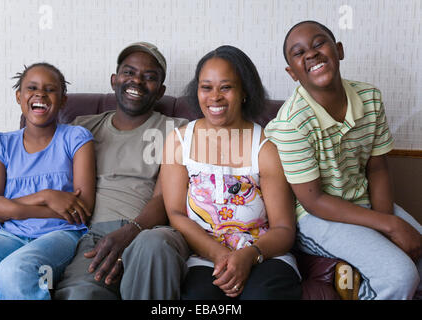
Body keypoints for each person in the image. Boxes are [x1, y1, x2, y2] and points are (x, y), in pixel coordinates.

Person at [265, 20, 422, 300]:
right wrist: (389, 226)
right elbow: (313, 201)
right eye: (299, 53)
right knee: (400, 275)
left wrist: (385, 222)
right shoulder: (292, 123)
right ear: (292, 73)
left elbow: (377, 169)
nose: (311, 54)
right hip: (316, 218)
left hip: (363, 202)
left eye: (318, 43)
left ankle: (360, 284)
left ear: (338, 50)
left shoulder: (370, 97)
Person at [162, 45, 302, 300]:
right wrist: (220, 255)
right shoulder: (178, 142)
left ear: (245, 92)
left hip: (264, 256)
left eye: (226, 87)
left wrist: (248, 256)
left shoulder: (265, 147)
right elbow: (175, 214)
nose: (214, 97)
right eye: (206, 87)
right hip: (204, 258)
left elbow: (283, 228)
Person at [53, 42, 190, 300]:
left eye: (149, 77)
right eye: (129, 72)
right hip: (93, 236)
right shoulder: (82, 127)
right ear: (114, 80)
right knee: (81, 294)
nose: (136, 81)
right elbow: (34, 162)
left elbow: (165, 197)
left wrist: (131, 232)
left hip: (151, 231)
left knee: (153, 246)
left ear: (160, 91)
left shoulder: (176, 130)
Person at [0, 62, 96, 300]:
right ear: (19, 96)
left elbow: (82, 211)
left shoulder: (76, 138)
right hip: (8, 234)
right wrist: (47, 196)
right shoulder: (1, 144)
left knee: (14, 272)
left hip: (61, 234)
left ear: (63, 101)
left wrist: (15, 208)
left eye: (50, 89)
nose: (40, 93)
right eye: (32, 88)